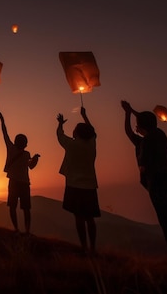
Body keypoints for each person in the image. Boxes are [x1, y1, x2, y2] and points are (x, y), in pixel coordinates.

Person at [121, 100, 167, 262]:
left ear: (142, 126)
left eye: (138, 124)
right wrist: (130, 111)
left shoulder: (146, 142)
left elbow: (143, 163)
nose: (136, 126)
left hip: (158, 184)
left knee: (166, 221)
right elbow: (132, 131)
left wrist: (129, 113)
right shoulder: (159, 135)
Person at [56, 107, 100, 255]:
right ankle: (93, 248)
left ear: (78, 133)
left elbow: (60, 136)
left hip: (74, 186)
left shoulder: (72, 145)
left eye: (75, 129)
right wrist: (85, 116)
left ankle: (84, 247)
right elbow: (93, 132)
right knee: (90, 219)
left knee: (79, 218)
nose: (73, 131)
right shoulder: (91, 145)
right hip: (90, 186)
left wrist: (60, 124)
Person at [0, 112, 40, 234]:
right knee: (26, 208)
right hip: (24, 184)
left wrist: (2, 120)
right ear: (25, 143)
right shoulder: (26, 154)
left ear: (16, 141)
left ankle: (16, 229)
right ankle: (26, 231)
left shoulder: (12, 149)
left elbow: (5, 133)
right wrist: (35, 159)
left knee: (12, 206)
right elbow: (31, 167)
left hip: (14, 182)